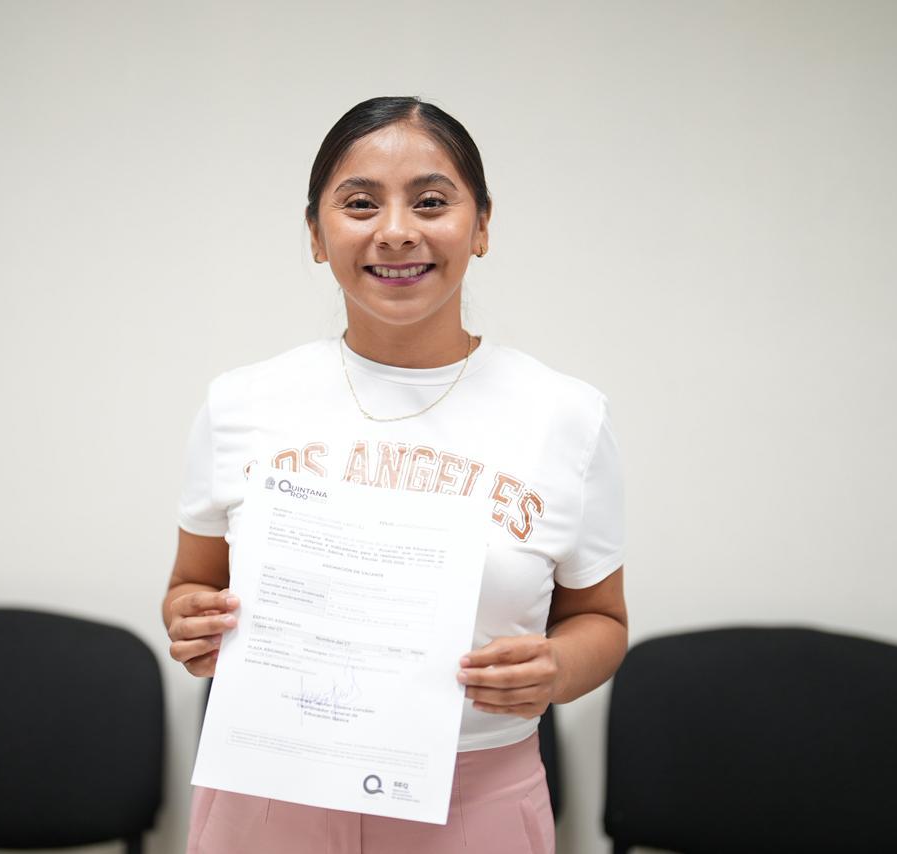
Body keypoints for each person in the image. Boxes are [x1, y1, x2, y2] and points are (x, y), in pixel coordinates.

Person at [163, 95, 628, 854]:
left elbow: (601, 621)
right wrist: (192, 623)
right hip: (266, 795)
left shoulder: (565, 415)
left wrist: (555, 668)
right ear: (316, 235)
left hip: (473, 802)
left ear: (482, 226)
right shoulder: (242, 402)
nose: (397, 230)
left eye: (432, 201)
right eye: (360, 203)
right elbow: (191, 585)